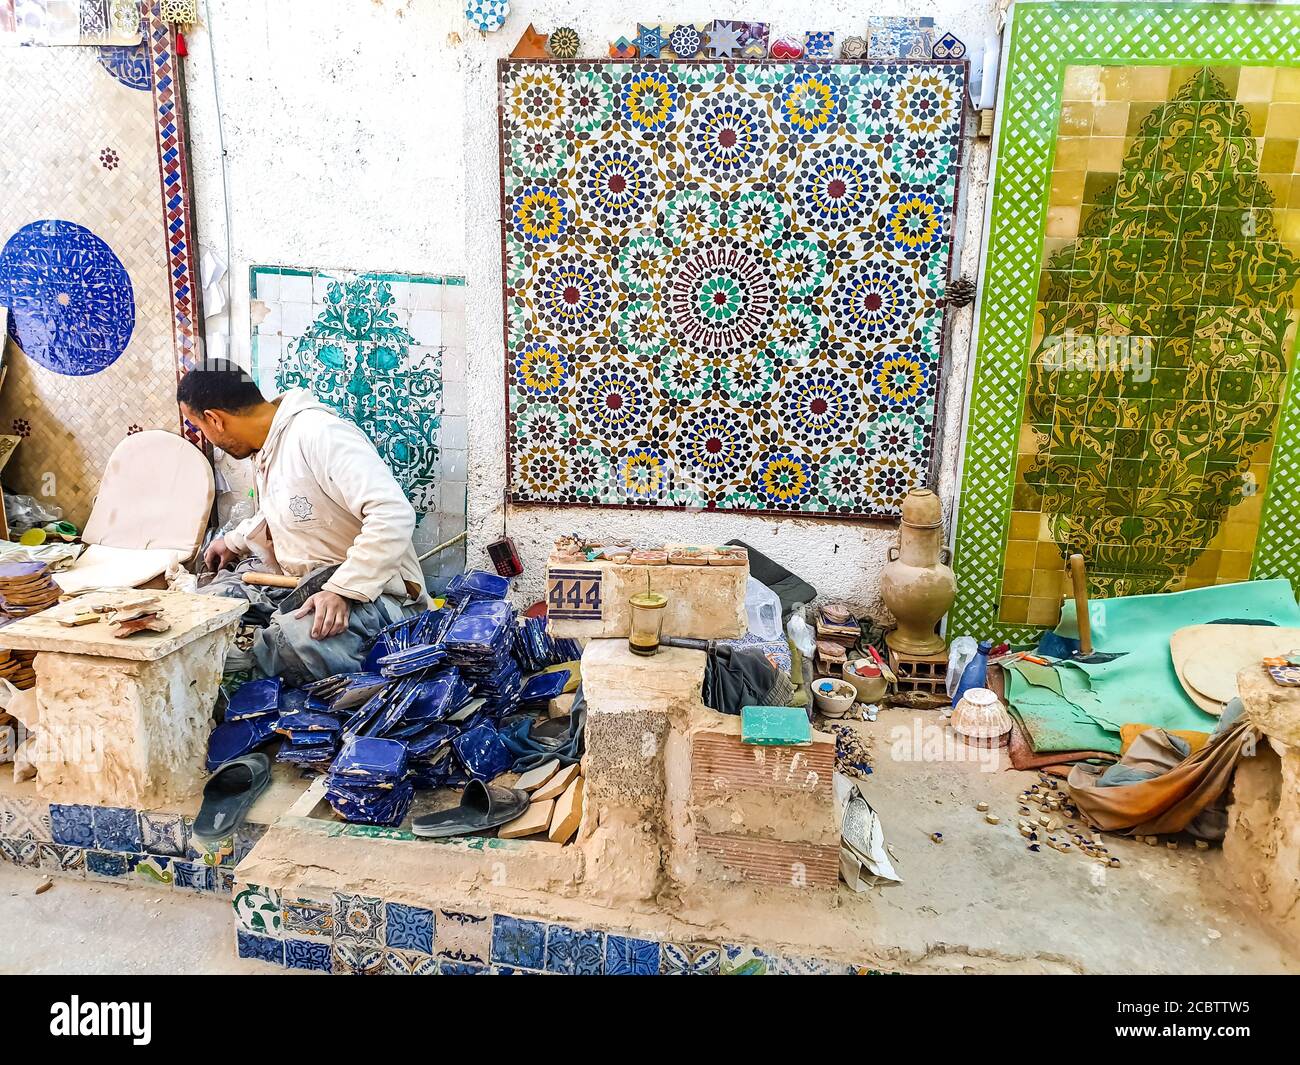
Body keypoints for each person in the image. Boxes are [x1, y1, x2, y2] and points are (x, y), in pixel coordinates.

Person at [177, 360, 427, 683]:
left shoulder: (318, 434)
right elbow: (289, 507)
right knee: (207, 607)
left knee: (289, 646)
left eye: (201, 428)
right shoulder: (269, 444)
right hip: (306, 584)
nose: (207, 437)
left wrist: (342, 590)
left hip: (375, 593)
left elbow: (393, 513)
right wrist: (234, 541)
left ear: (214, 419)